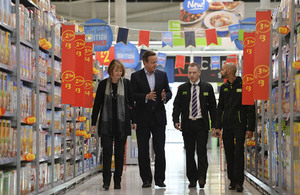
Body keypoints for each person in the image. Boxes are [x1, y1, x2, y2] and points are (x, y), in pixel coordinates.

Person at [91, 59, 136, 190]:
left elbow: (131, 104)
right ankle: (106, 181)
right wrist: (93, 123)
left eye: (120, 70)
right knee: (107, 152)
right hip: (106, 124)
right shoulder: (103, 84)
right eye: (116, 70)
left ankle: (117, 181)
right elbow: (97, 105)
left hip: (122, 124)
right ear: (110, 71)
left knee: (119, 154)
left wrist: (134, 121)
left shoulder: (126, 84)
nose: (119, 73)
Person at [130, 50, 172, 188]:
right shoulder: (136, 76)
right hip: (143, 118)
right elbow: (132, 96)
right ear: (145, 62)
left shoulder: (162, 75)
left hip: (159, 118)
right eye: (152, 62)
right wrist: (145, 97)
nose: (155, 65)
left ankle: (160, 179)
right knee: (143, 150)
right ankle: (146, 179)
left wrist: (165, 96)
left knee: (160, 149)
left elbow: (169, 92)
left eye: (156, 62)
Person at [172, 62, 217, 188]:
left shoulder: (207, 87)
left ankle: (202, 177)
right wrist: (175, 120)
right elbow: (177, 106)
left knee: (201, 151)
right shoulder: (182, 88)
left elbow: (213, 108)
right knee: (189, 153)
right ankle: (192, 179)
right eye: (189, 73)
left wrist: (214, 125)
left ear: (199, 73)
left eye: (194, 73)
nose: (191, 75)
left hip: (201, 125)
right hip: (187, 125)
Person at [212, 62, 255, 192]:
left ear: (229, 71)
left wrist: (250, 128)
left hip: (240, 125)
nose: (221, 71)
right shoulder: (224, 87)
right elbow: (220, 109)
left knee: (238, 154)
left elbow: (250, 108)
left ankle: (239, 182)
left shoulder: (244, 86)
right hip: (227, 126)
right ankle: (232, 179)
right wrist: (217, 126)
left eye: (223, 69)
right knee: (229, 153)